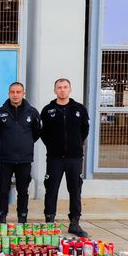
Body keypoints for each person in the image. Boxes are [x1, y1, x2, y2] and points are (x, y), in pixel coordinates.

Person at [41, 78, 90, 237]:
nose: (62, 90)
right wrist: (53, 146)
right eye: (59, 87)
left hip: (74, 158)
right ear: (55, 90)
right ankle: (49, 222)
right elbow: (43, 133)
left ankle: (74, 223)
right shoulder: (48, 110)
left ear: (70, 89)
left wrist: (75, 144)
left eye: (65, 87)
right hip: (55, 158)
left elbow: (84, 131)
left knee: (75, 190)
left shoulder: (80, 109)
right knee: (51, 189)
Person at [0, 82, 41, 224]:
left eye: (18, 92)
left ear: (23, 93)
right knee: (3, 190)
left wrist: (25, 144)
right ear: (8, 94)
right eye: (12, 92)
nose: (15, 94)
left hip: (24, 159)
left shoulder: (32, 112)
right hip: (5, 159)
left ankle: (22, 218)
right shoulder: (0, 113)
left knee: (23, 191)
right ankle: (1, 217)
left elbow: (36, 133)